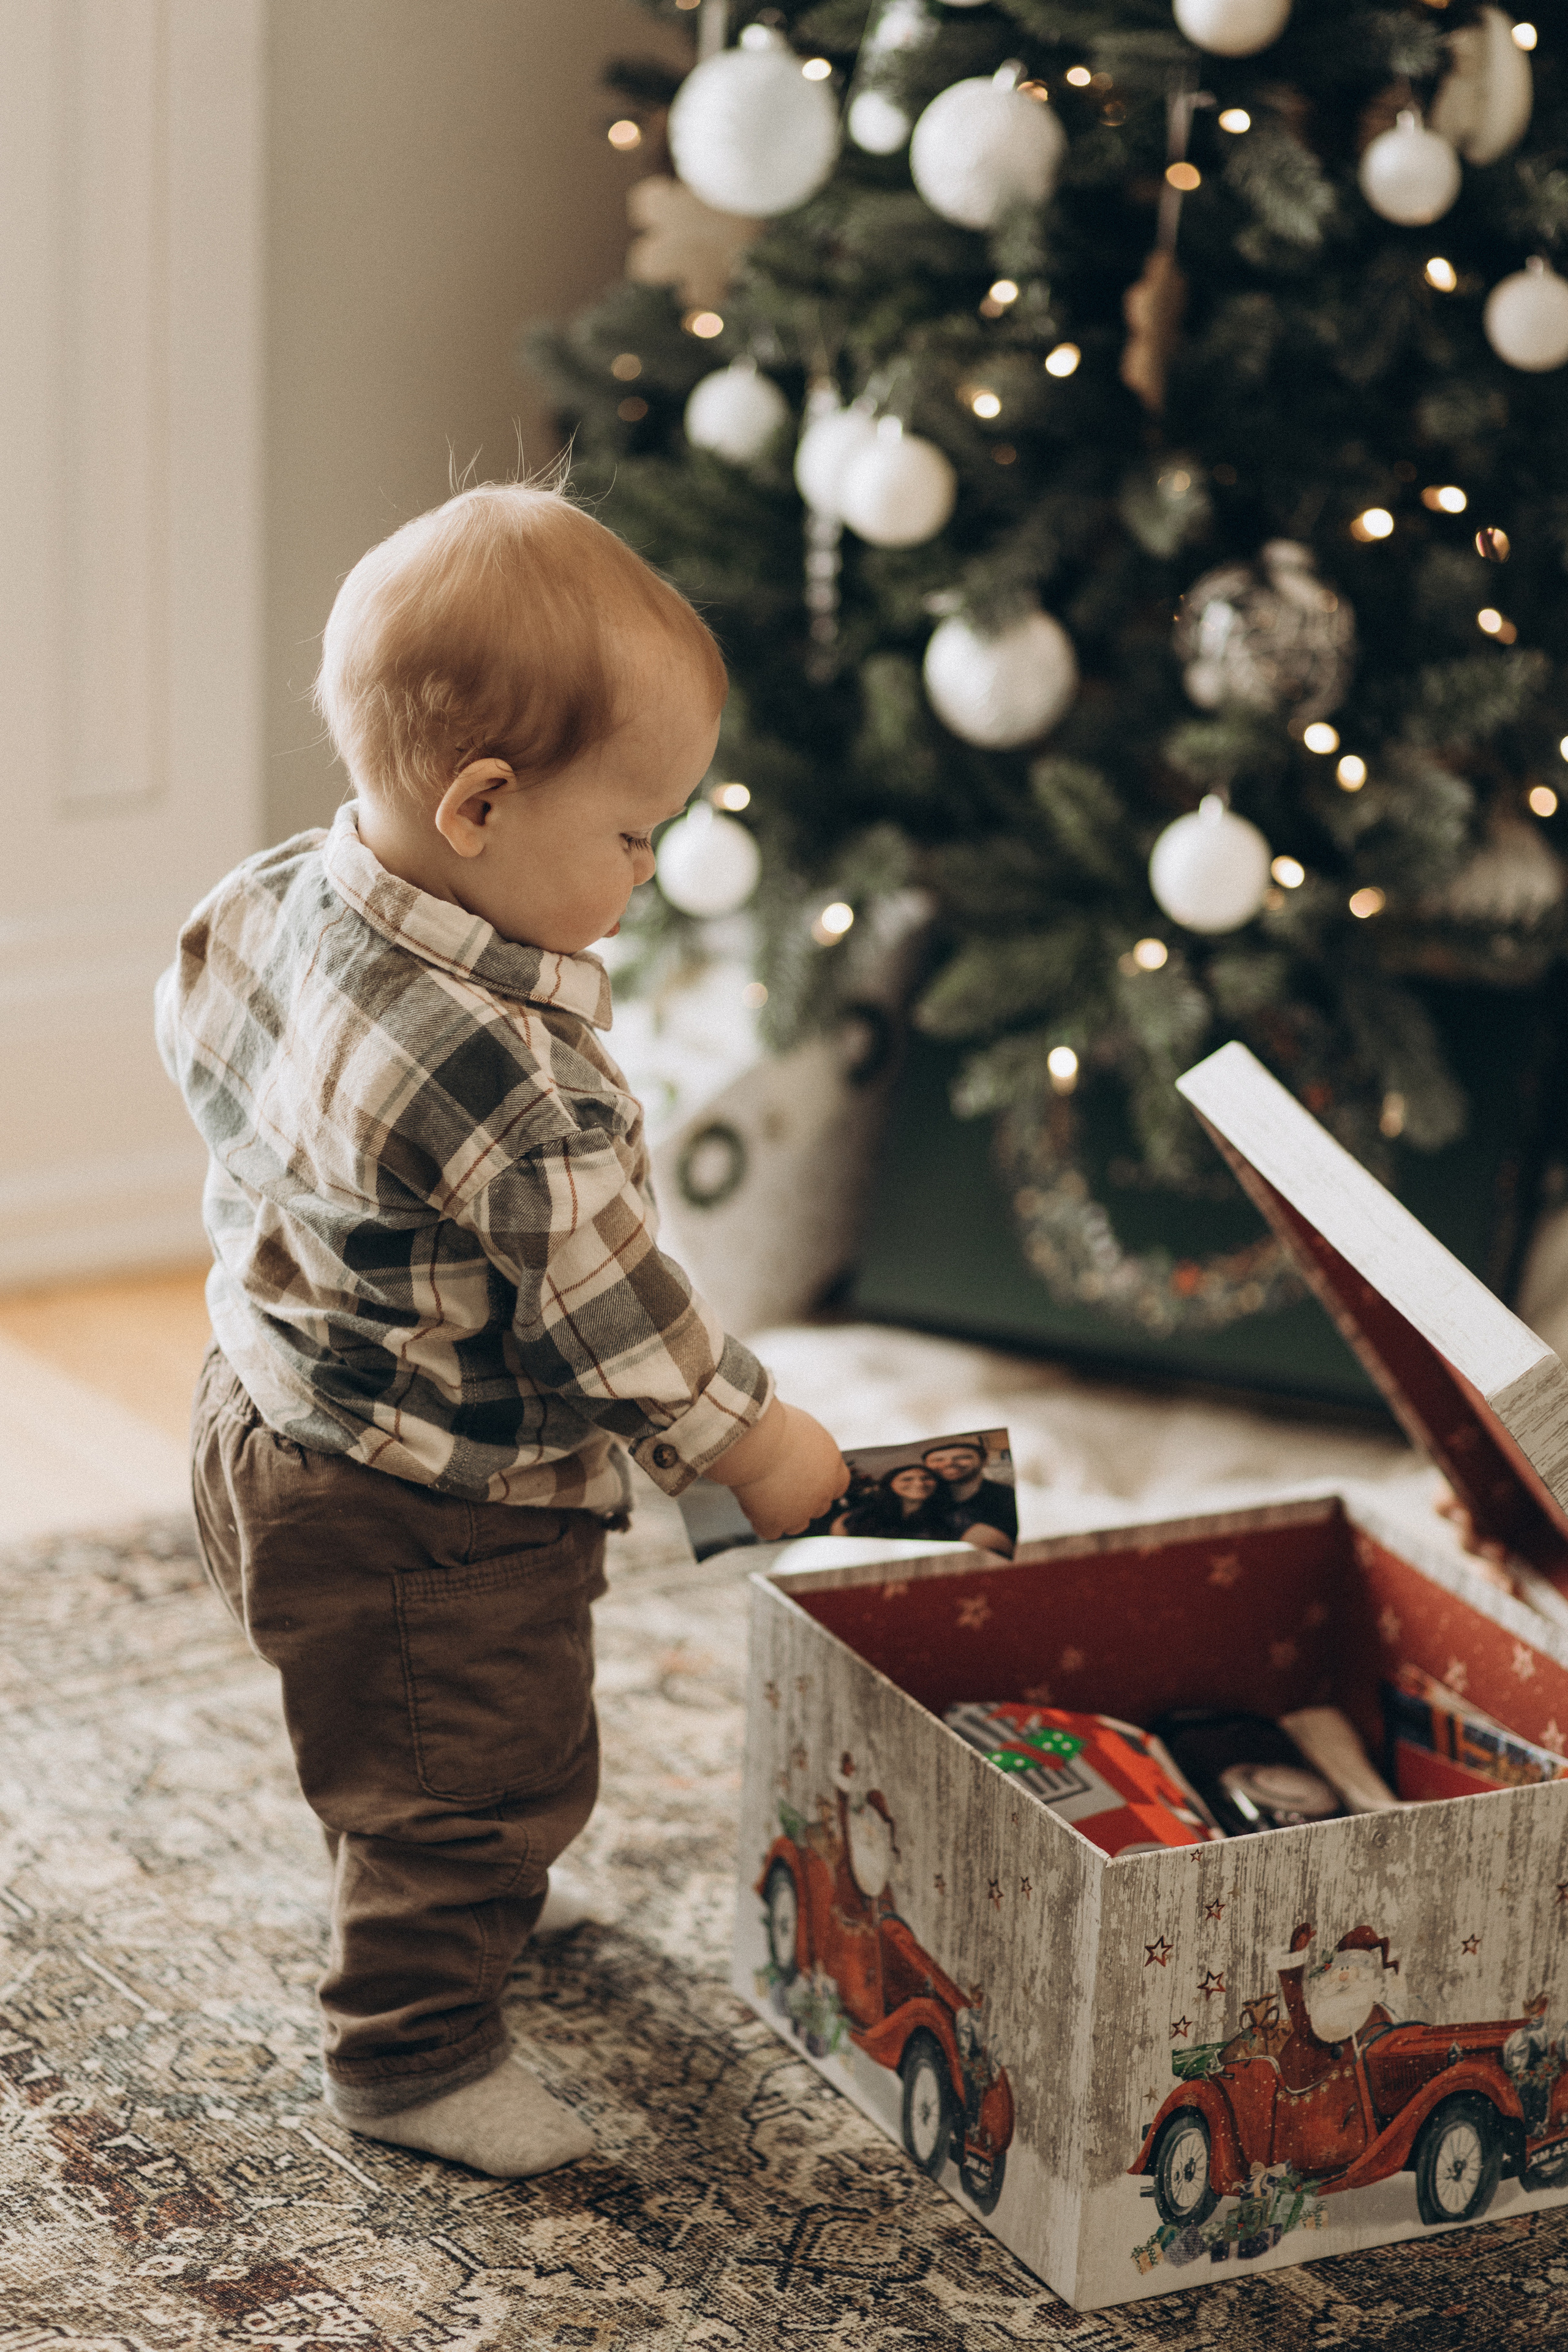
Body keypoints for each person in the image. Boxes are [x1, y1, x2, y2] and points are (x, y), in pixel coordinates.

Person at [155, 481, 848, 2184]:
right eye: (632, 835)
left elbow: (200, 1030)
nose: (650, 867)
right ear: (481, 803)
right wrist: (762, 1447)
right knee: (470, 1783)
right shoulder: (518, 1087)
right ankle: (415, 2052)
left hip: (260, 1405)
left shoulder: (284, 885)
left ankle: (438, 1893)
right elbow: (626, 1331)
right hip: (434, 1510)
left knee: (392, 1737)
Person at [921, 1439, 1017, 1556]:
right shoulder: (918, 1501)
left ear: (984, 1461)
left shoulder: (1008, 1497)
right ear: (925, 1466)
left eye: (963, 1457)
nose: (949, 1463)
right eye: (938, 1460)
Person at [832, 1462, 955, 1544]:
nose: (919, 1484)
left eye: (926, 1478)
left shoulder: (950, 1516)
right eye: (907, 1479)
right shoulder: (860, 1517)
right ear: (891, 1485)